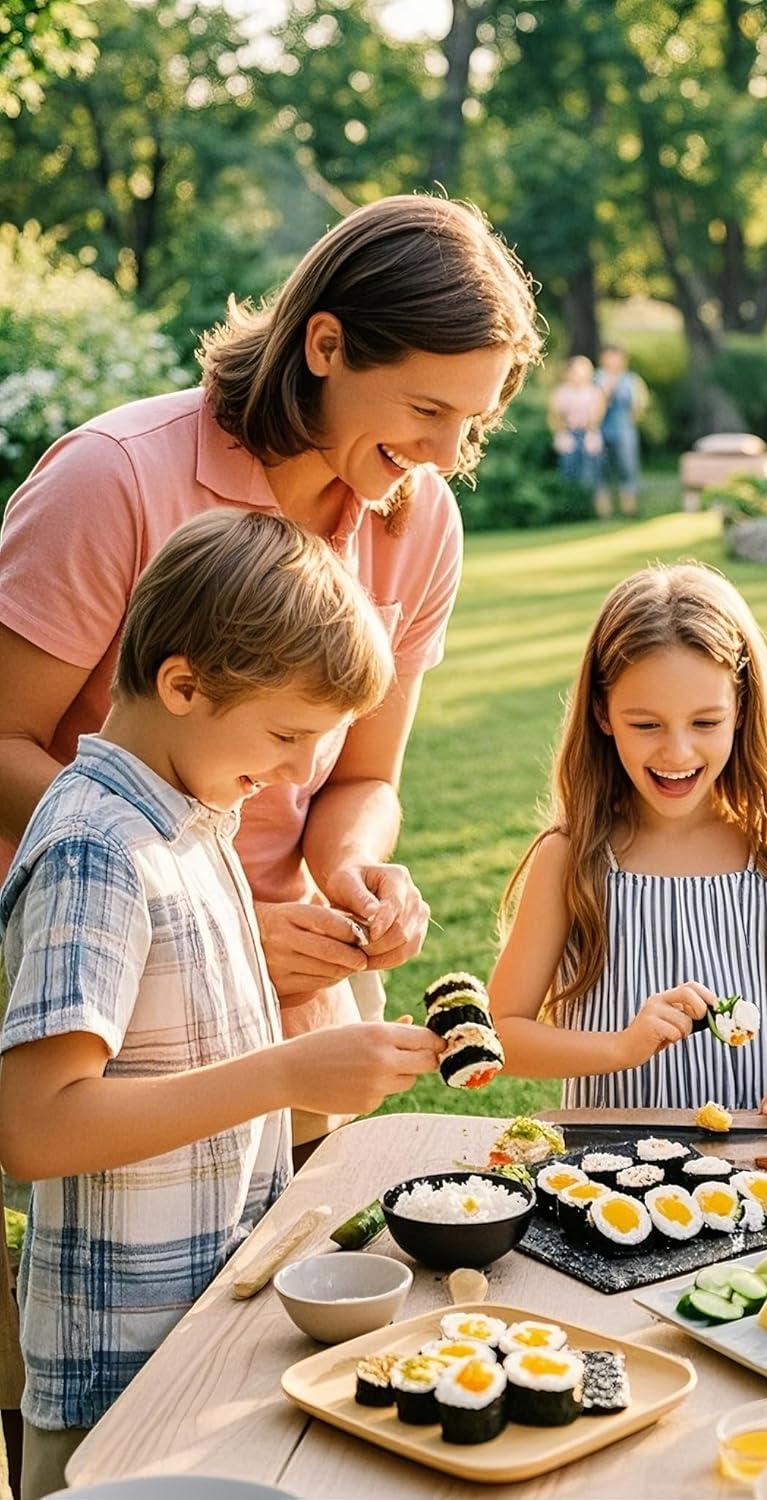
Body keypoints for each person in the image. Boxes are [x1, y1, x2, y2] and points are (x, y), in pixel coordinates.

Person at [0, 194, 542, 1152]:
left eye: (473, 421)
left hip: (290, 961)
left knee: (293, 1252)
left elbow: (366, 777)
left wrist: (351, 874)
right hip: (94, 952)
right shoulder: (112, 480)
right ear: (326, 345)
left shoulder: (419, 526)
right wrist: (219, 913)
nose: (448, 458)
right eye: (426, 410)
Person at [0, 511, 444, 1500]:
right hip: (116, 1387)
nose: (294, 774)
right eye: (286, 735)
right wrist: (285, 1073)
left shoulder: (196, 821)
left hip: (200, 1338)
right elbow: (34, 1127)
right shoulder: (96, 852)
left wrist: (325, 1072)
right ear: (184, 685)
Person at [490, 563, 767, 1120]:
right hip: (606, 1168)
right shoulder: (572, 856)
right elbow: (499, 1035)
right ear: (602, 714)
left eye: (706, 723)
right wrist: (622, 1047)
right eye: (646, 725)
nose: (678, 753)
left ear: (741, 712)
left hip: (752, 1164)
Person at [594, 344, 647, 518]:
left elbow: (639, 405)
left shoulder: (632, 379)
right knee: (600, 472)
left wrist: (634, 418)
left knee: (628, 470)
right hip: (601, 430)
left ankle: (629, 510)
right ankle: (604, 512)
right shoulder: (597, 379)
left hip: (625, 431)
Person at [547, 355, 606, 498]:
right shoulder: (560, 392)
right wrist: (561, 432)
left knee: (592, 475)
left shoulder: (595, 392)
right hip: (569, 434)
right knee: (568, 473)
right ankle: (570, 505)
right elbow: (554, 415)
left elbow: (598, 413)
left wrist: (590, 430)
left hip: (588, 434)